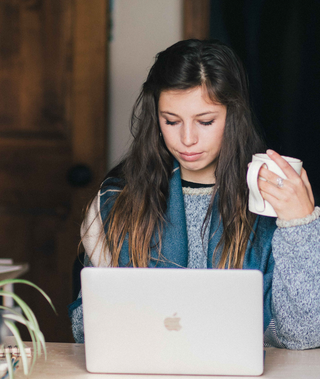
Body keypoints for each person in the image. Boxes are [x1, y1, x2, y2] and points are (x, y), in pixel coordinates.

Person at [69, 39, 320, 348]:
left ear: (233, 116)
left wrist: (300, 225)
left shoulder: (271, 200)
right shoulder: (116, 200)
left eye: (205, 121)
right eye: (171, 121)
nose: (187, 139)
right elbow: (84, 329)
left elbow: (304, 335)